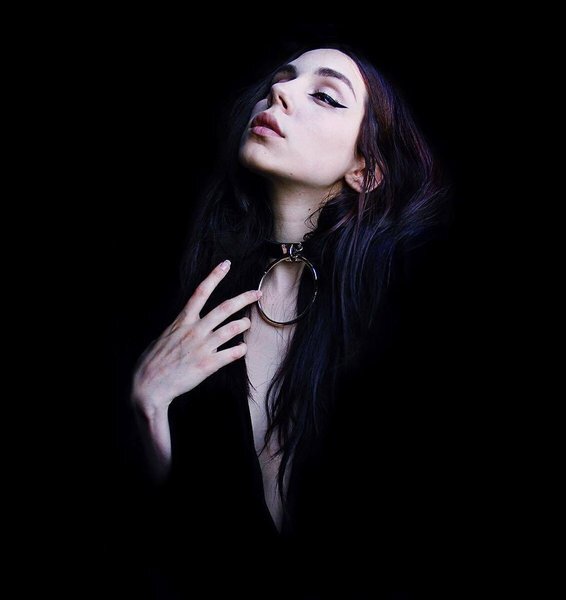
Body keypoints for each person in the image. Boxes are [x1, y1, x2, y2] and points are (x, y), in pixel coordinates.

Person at [125, 45, 458, 599]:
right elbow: (177, 545)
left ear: (366, 171)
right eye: (280, 80)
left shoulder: (399, 308)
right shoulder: (193, 298)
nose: (278, 92)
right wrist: (149, 406)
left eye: (324, 96)